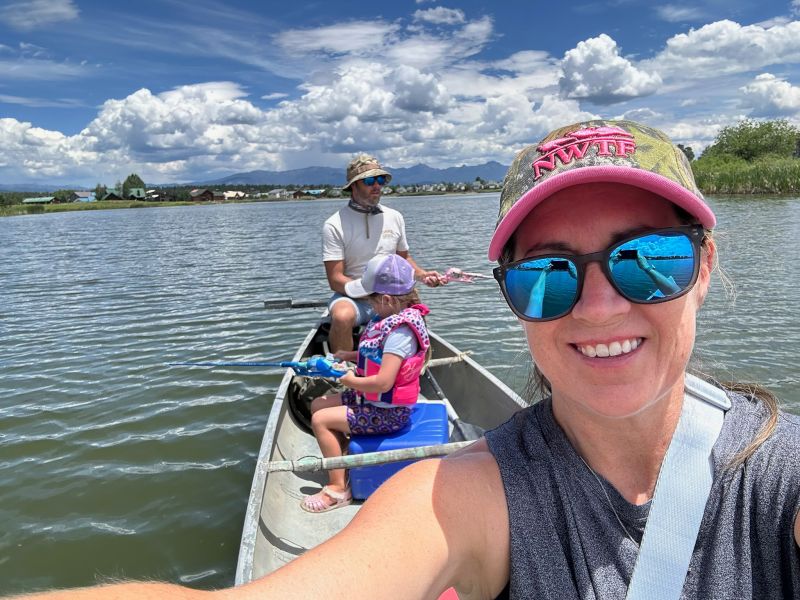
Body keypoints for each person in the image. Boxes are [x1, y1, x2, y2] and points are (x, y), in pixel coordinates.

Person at [16, 120, 800, 599]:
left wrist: (418, 280)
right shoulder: (471, 493)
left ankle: (364, 376)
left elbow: (409, 256)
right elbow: (338, 282)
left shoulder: (780, 476)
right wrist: (372, 297)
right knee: (348, 312)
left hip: (396, 299)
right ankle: (357, 359)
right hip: (361, 299)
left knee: (387, 313)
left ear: (702, 266)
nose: (597, 307)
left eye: (646, 260)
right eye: (545, 274)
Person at [300, 253, 431, 513]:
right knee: (317, 404)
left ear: (386, 299)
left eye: (369, 299)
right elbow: (376, 355)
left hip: (388, 413)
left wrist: (348, 379)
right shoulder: (387, 318)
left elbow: (383, 383)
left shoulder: (401, 333)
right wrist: (348, 356)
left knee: (320, 420)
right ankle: (343, 453)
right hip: (373, 403)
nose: (367, 305)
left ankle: (338, 489)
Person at [323, 153, 442, 353]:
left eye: (380, 180)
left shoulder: (395, 217)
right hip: (354, 297)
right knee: (342, 316)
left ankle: (413, 364)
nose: (377, 186)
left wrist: (423, 275)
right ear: (354, 186)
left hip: (392, 295)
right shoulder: (334, 224)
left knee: (415, 307)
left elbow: (403, 259)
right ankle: (344, 373)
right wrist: (368, 289)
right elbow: (335, 279)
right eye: (369, 181)